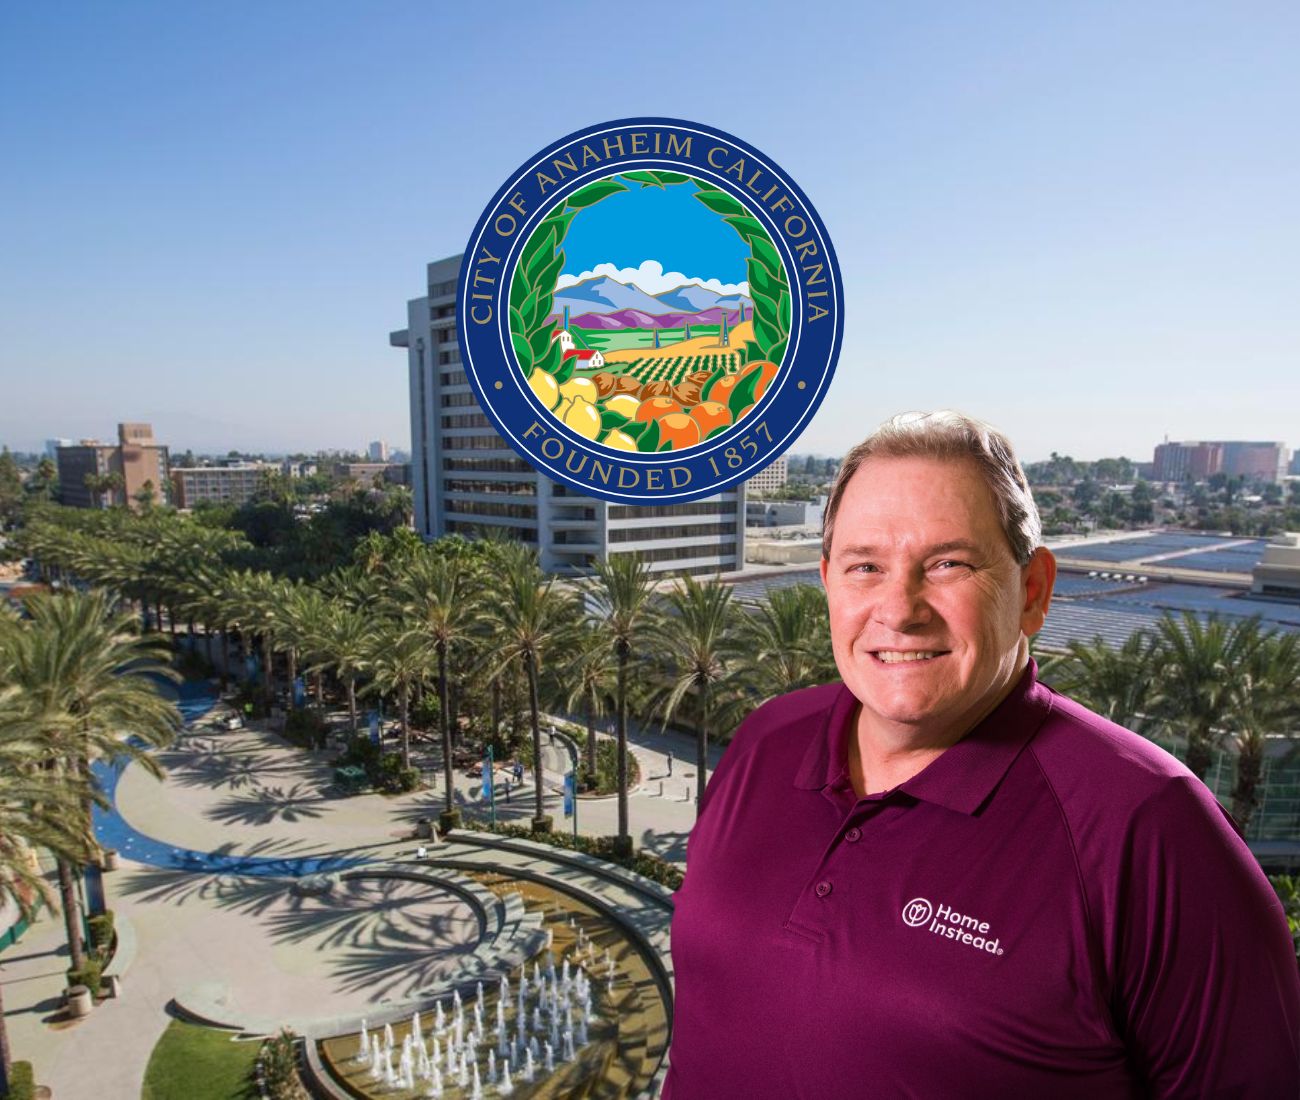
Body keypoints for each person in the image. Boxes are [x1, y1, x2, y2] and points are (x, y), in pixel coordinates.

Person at [665, 411, 1300, 1098]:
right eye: (865, 567)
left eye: (948, 565)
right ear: (827, 582)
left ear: (1033, 592)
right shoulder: (766, 740)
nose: (899, 609)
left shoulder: (1150, 830)